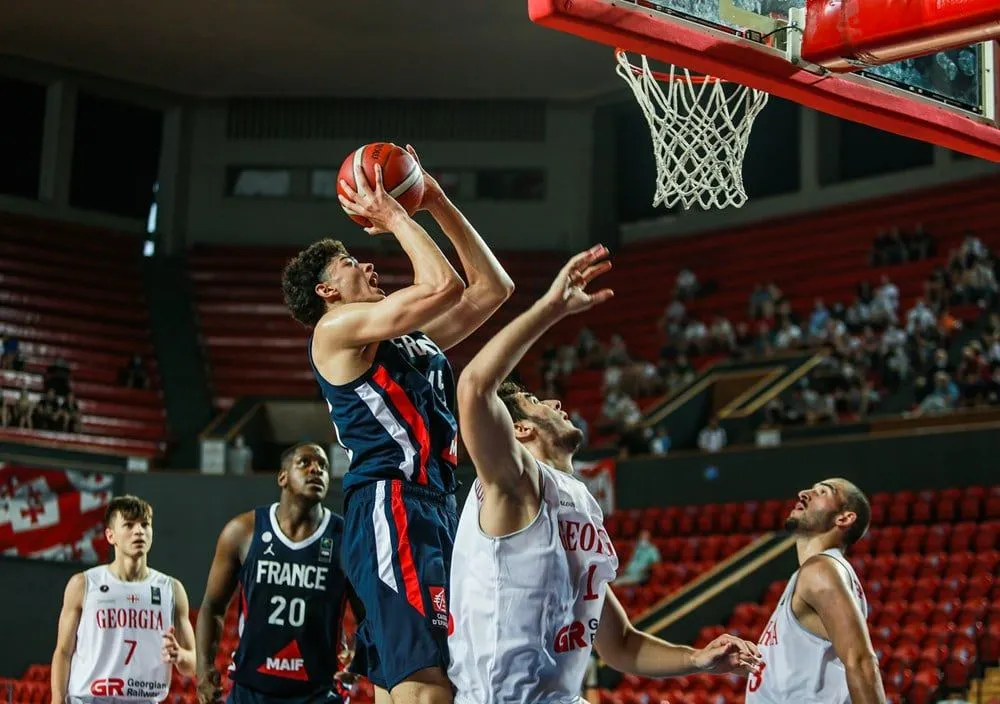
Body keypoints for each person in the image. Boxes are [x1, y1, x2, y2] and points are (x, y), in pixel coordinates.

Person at [449, 245, 762, 703]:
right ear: (519, 429)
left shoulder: (579, 501)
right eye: (539, 404)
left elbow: (621, 643)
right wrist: (550, 308)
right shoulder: (515, 484)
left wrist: (696, 659)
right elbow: (475, 387)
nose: (556, 403)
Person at [281, 147, 513, 704]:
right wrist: (395, 216)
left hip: (434, 505)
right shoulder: (334, 332)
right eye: (349, 266)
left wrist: (435, 198)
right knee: (427, 686)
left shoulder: (403, 339)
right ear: (327, 292)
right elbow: (439, 287)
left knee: (410, 684)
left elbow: (491, 289)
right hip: (392, 504)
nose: (368, 264)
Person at [196, 443, 351, 704]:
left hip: (319, 693)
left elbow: (370, 615)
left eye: (323, 466)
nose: (316, 469)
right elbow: (213, 606)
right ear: (282, 477)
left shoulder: (346, 537)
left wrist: (359, 655)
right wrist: (204, 668)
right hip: (251, 691)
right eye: (305, 463)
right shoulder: (243, 531)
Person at [746, 478, 886, 704]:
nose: (803, 492)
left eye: (822, 491)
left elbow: (861, 662)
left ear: (844, 517)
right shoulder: (815, 573)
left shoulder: (821, 570)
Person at [51, 495, 196, 704]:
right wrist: (57, 699)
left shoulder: (171, 589)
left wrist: (179, 655)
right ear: (111, 536)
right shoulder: (84, 584)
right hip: (89, 698)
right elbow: (63, 651)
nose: (139, 531)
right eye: (128, 525)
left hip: (143, 700)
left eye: (145, 525)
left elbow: (191, 665)